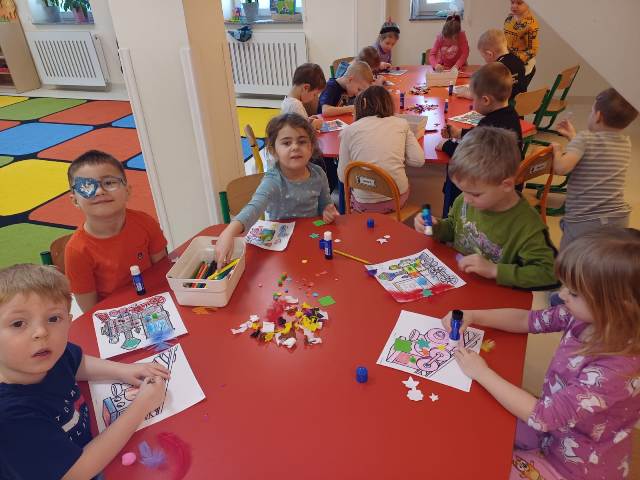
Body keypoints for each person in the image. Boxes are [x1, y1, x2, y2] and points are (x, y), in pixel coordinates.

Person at [443, 228, 640, 480]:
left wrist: (481, 372)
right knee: (478, 425)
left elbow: (543, 416)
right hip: (550, 427)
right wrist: (474, 315)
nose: (561, 295)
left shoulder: (616, 371)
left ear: (618, 307)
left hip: (575, 465)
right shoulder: (586, 316)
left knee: (479, 465)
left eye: (574, 293)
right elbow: (527, 320)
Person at [0, 264, 169, 479]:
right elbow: (77, 472)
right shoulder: (10, 417)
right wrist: (142, 405)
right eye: (18, 323)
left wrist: (124, 370)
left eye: (53, 319)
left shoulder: (46, 354)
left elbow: (76, 363)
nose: (41, 332)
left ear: (68, 322)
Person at [415, 126, 557, 290]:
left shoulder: (527, 226)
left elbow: (549, 274)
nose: (466, 199)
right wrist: (436, 227)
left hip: (495, 294)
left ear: (507, 185)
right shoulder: (465, 199)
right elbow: (454, 227)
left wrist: (495, 270)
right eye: (463, 191)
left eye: (475, 194)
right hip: (460, 283)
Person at [215, 113, 339, 265]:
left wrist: (327, 211)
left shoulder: (318, 173)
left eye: (302, 142)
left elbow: (326, 204)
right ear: (274, 151)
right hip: (280, 249)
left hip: (311, 241)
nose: (295, 147)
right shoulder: (273, 180)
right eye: (286, 143)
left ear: (311, 147)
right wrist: (229, 232)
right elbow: (254, 207)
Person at [65, 150, 168, 312]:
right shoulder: (76, 251)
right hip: (114, 315)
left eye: (109, 182)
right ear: (75, 200)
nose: (99, 191)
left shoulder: (146, 223)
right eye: (86, 186)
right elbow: (90, 311)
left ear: (127, 191)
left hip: (155, 302)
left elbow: (162, 272)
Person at [551, 88, 638, 250]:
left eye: (591, 111)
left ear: (598, 116)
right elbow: (597, 151)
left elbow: (561, 168)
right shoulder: (625, 142)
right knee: (602, 260)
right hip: (618, 218)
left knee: (570, 260)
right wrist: (573, 137)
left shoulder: (584, 139)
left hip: (584, 221)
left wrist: (557, 150)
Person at [440, 62, 523, 216]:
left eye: (473, 99)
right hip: (508, 182)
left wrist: (446, 145)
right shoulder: (511, 114)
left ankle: (452, 214)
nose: (472, 102)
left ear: (485, 100)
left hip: (490, 188)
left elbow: (467, 156)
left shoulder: (488, 124)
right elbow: (483, 138)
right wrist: (460, 133)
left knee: (456, 171)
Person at [337, 86, 424, 213]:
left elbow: (342, 176)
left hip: (364, 205)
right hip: (396, 201)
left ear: (362, 104)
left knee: (352, 195)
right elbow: (418, 161)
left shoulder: (348, 131)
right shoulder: (401, 123)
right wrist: (396, 154)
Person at [477, 28, 526, 100]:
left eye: (484, 57)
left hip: (506, 103)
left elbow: (485, 94)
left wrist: (466, 93)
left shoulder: (497, 68)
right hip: (521, 102)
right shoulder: (518, 60)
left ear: (489, 54)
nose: (485, 61)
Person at [281, 62, 326, 130]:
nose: (314, 98)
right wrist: (314, 124)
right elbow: (301, 131)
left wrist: (308, 120)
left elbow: (296, 122)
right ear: (305, 88)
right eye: (314, 94)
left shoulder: (288, 101)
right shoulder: (296, 105)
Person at [504, 0, 539, 87]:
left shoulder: (531, 25)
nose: (514, 6)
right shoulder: (509, 19)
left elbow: (533, 50)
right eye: (512, 2)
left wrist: (515, 61)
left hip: (523, 66)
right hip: (509, 62)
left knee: (512, 92)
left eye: (519, 3)